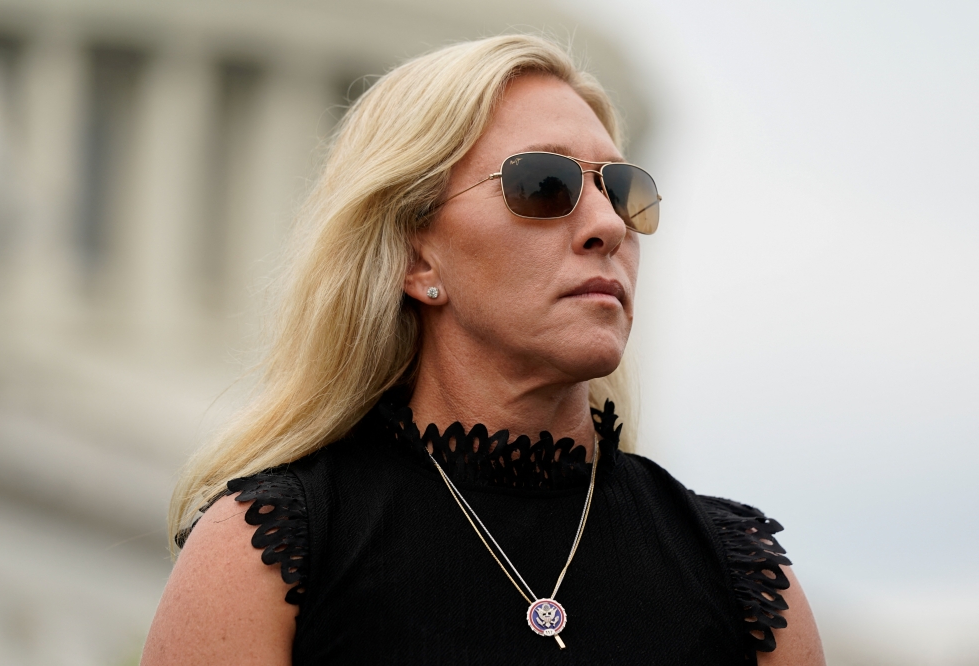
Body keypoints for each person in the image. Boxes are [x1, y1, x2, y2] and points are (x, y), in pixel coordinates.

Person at [142, 34, 826, 665]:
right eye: (544, 185)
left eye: (624, 192)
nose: (606, 226)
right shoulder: (267, 551)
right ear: (417, 259)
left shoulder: (747, 583)